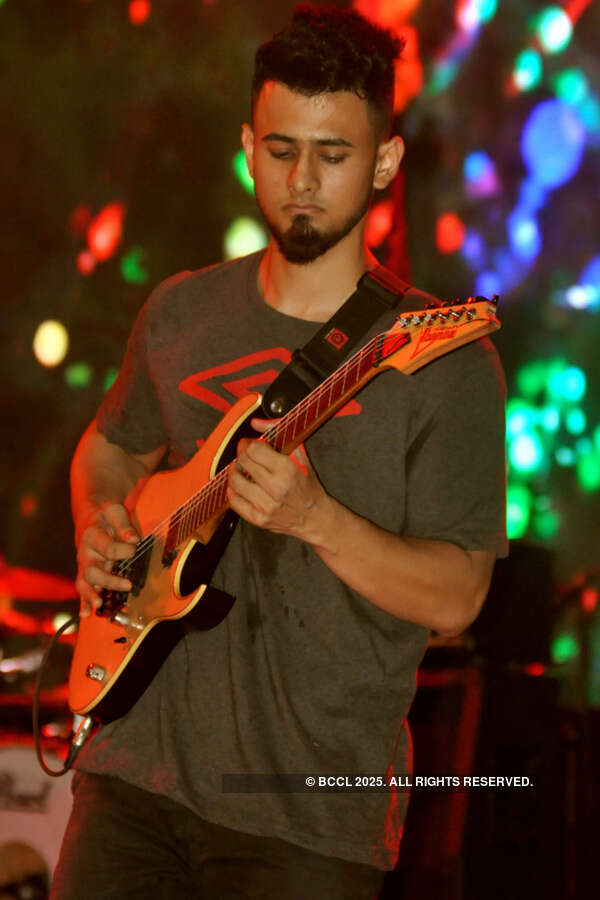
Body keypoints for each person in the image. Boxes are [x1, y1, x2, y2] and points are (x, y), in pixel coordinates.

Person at [52, 5, 508, 899]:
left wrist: (316, 520)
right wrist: (98, 524)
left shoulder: (445, 362)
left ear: (383, 162)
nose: (301, 179)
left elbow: (458, 597)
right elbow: (105, 448)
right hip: (130, 774)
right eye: (280, 148)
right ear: (247, 146)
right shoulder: (181, 311)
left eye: (333, 155)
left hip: (305, 819)